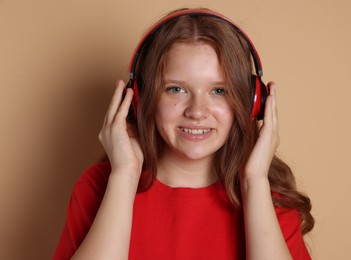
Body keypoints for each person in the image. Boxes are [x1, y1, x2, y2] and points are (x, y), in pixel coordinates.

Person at [53, 8, 314, 260]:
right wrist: (125, 176)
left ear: (252, 103)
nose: (197, 111)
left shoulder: (271, 200)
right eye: (176, 89)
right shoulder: (98, 187)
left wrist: (254, 182)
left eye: (219, 91)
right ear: (140, 100)